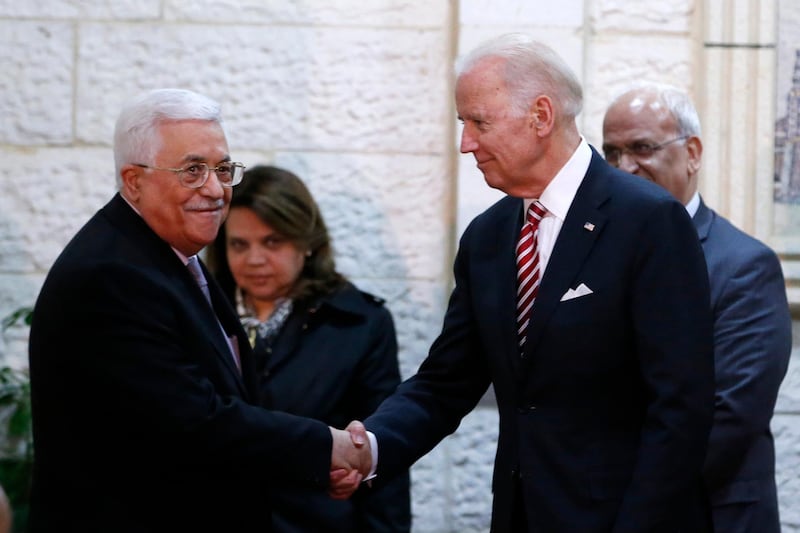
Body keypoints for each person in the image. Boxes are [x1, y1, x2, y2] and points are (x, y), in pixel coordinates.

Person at [340, 33, 716, 532]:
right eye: (462, 124)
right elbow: (445, 383)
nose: (466, 143)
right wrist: (370, 448)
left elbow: (681, 409)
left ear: (541, 116)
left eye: (479, 122)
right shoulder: (488, 237)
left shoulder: (648, 221)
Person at [27, 88, 370, 533]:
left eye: (223, 169)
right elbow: (193, 421)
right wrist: (328, 447)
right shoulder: (113, 274)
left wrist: (314, 464)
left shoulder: (170, 258)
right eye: (192, 171)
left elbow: (228, 403)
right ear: (134, 181)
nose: (214, 189)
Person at [602, 82, 792, 533]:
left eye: (642, 148)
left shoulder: (745, 265)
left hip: (707, 514)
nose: (623, 167)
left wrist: (627, 502)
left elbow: (730, 416)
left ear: (692, 153)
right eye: (610, 152)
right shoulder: (594, 257)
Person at [205, 164, 411, 532]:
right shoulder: (199, 314)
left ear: (307, 244)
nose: (254, 259)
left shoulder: (359, 323)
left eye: (272, 242)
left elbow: (381, 455)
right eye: (239, 244)